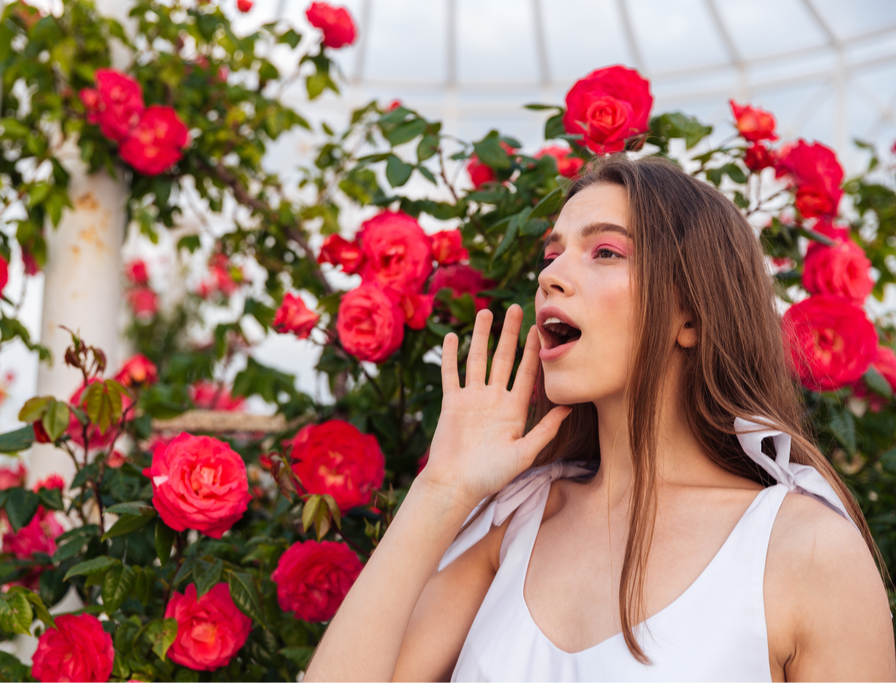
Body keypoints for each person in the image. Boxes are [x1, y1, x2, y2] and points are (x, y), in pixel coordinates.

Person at [304, 155, 896, 681]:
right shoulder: (515, 528)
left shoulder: (807, 551)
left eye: (606, 251)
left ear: (690, 315)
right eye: (553, 253)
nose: (549, 275)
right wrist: (443, 488)